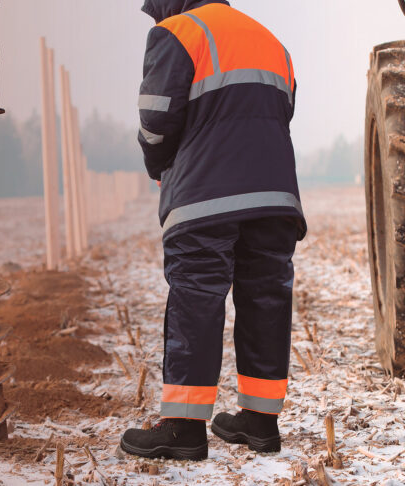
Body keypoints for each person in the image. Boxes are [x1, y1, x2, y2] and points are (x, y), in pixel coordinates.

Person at [120, 0, 307, 461]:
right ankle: (261, 423)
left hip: (206, 194)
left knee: (197, 296)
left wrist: (159, 165)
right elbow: (281, 112)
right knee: (266, 294)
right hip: (274, 195)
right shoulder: (270, 41)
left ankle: (183, 428)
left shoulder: (178, 33)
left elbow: (156, 120)